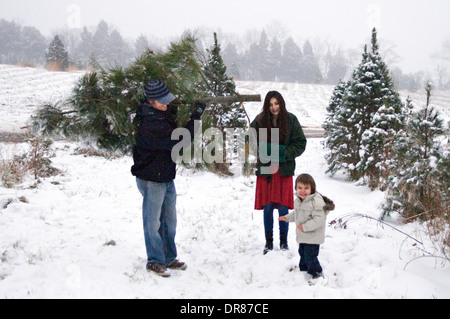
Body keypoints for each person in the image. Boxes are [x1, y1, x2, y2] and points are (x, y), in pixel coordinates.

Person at [131, 80, 205, 277]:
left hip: (165, 176)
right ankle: (155, 260)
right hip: (151, 179)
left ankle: (169, 257)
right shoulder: (150, 124)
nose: (167, 104)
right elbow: (181, 140)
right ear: (151, 101)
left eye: (167, 100)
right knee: (153, 222)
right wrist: (196, 116)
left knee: (169, 221)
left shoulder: (161, 115)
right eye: (162, 101)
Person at [250, 91, 307, 254]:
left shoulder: (291, 120)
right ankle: (268, 242)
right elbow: (250, 140)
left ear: (281, 103)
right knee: (267, 207)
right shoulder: (260, 120)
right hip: (267, 171)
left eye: (277, 103)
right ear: (266, 106)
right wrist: (265, 151)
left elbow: (300, 143)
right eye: (270, 104)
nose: (274, 107)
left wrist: (284, 153)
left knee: (283, 208)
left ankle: (283, 242)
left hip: (283, 170)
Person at [279, 174, 335, 281]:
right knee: (302, 253)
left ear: (312, 189)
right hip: (303, 236)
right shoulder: (299, 201)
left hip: (313, 237)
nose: (302, 191)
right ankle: (304, 270)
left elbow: (319, 219)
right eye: (300, 188)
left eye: (306, 188)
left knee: (310, 256)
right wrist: (286, 218)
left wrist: (304, 227)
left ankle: (317, 273)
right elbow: (296, 214)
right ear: (296, 188)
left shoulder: (316, 202)